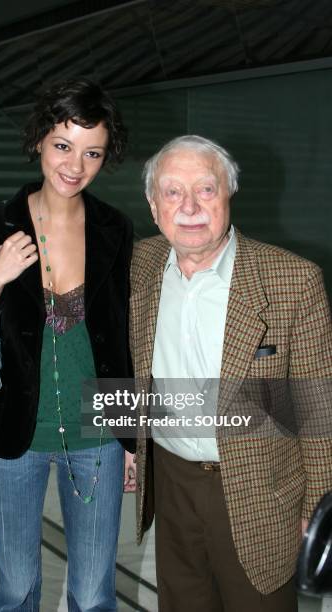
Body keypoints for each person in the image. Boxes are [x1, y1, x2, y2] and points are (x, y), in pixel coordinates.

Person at [0, 79, 136, 612]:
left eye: (92, 152)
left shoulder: (114, 229)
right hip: (13, 433)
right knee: (16, 588)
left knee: (93, 591)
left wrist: (129, 435)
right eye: (63, 145)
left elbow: (121, 338)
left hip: (96, 431)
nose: (75, 165)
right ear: (38, 140)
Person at [130, 135, 332, 611]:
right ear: (153, 204)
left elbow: (317, 409)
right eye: (173, 191)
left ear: (228, 195)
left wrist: (319, 511)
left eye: (206, 189)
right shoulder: (141, 265)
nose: (190, 206)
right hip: (172, 481)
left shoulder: (292, 280)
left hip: (261, 490)